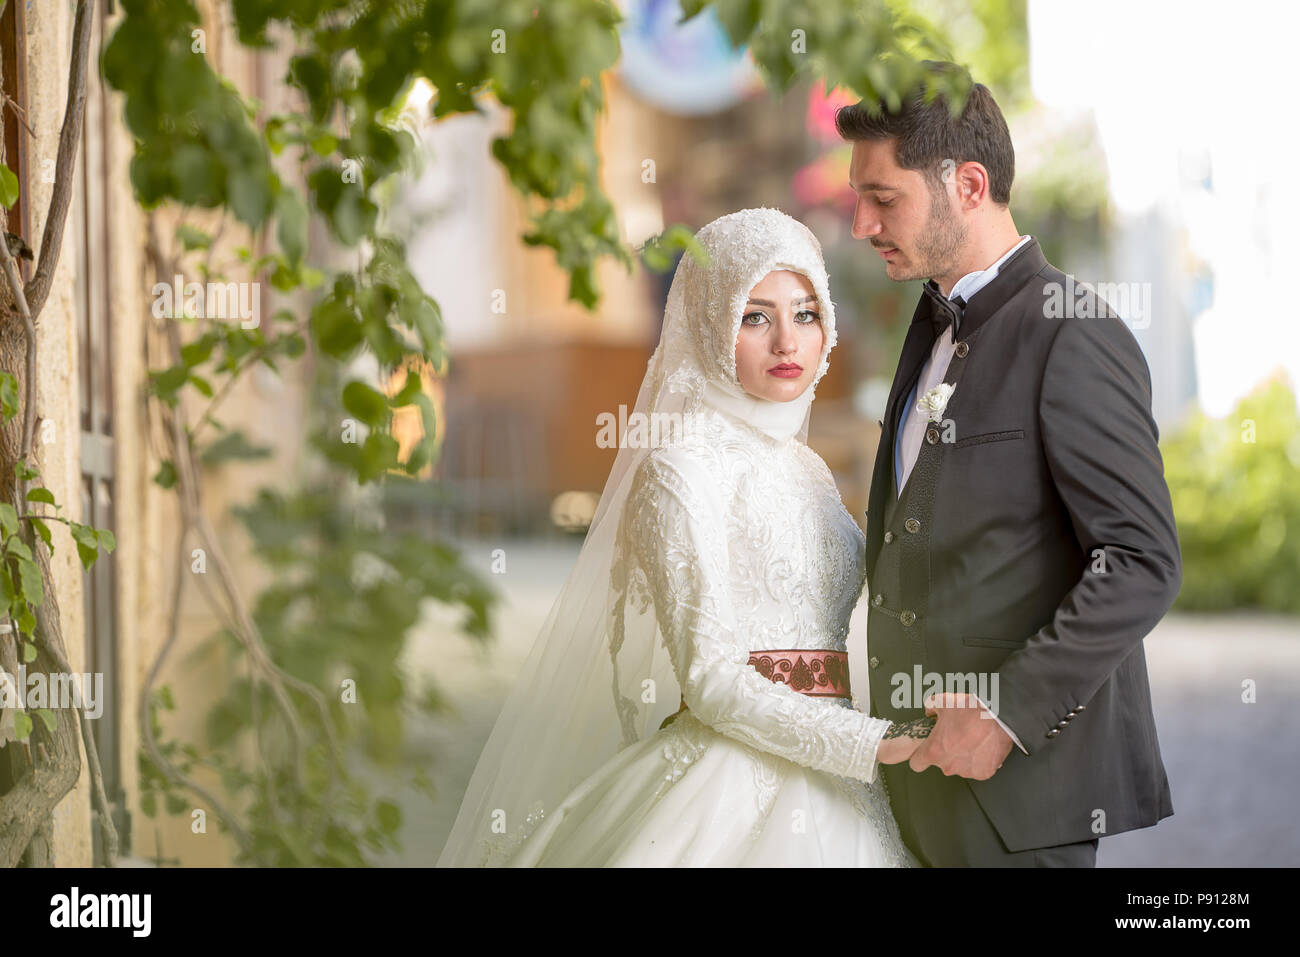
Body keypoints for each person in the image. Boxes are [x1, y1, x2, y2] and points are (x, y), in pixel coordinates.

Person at [437, 207, 932, 867]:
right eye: (755, 315)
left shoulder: (809, 468)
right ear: (709, 320)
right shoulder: (679, 466)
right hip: (731, 781)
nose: (787, 340)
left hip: (842, 787)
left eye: (805, 313)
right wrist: (866, 742)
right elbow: (712, 680)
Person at [837, 61, 1181, 866]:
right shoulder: (927, 324)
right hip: (910, 787)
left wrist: (1005, 714)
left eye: (883, 199)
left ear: (968, 183)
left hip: (1019, 805)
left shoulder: (1076, 333)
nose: (861, 223)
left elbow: (1140, 561)